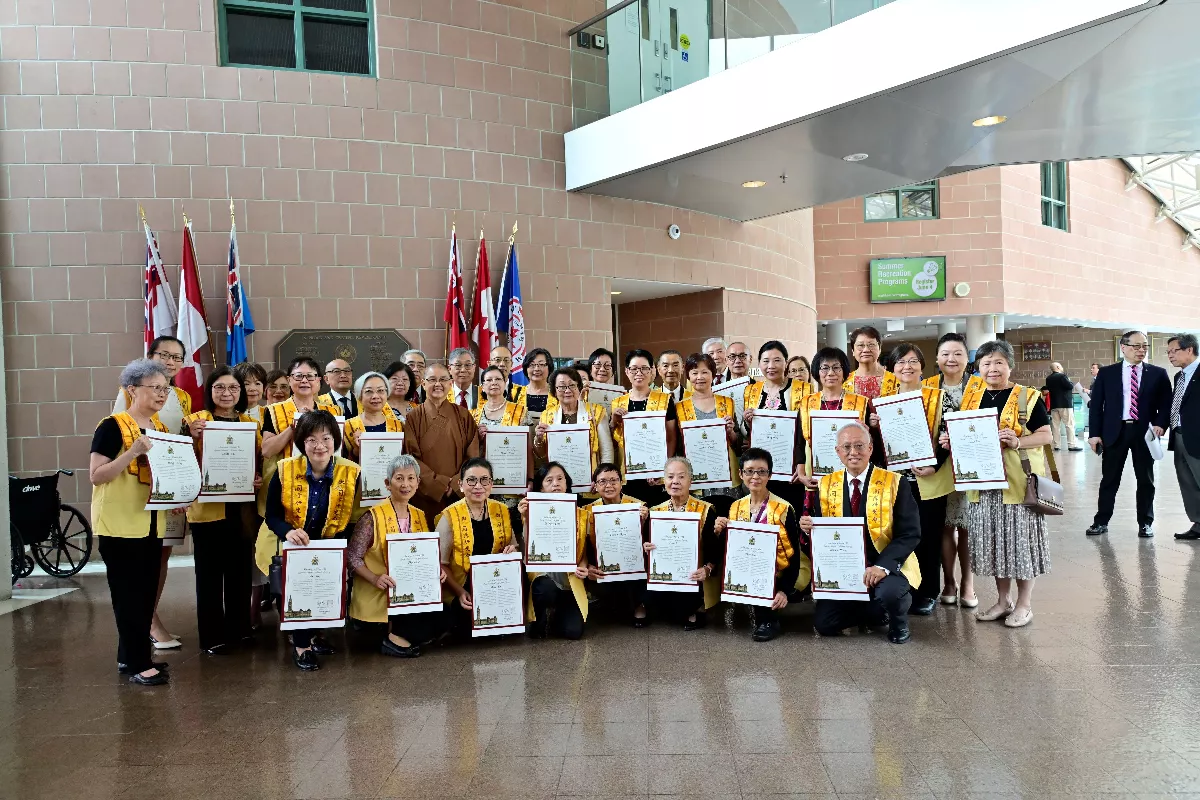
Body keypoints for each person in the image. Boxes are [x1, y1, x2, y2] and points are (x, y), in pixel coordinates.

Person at [944, 339, 1053, 628]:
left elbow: (1046, 435)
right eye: (986, 363)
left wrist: (1018, 441)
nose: (992, 369)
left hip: (1017, 486)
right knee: (995, 544)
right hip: (982, 486)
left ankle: (1024, 605)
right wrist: (949, 440)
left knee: (1020, 545)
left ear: (1010, 366)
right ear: (977, 368)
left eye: (999, 362)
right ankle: (1003, 601)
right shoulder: (972, 398)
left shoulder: (1026, 396)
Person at [90, 359, 173, 685]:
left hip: (152, 524)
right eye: (155, 388)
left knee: (145, 593)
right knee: (128, 596)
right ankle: (139, 663)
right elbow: (97, 476)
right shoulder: (111, 426)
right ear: (131, 389)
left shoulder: (161, 429)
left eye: (165, 389)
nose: (162, 394)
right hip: (120, 524)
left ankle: (131, 657)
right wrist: (133, 452)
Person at [801, 422, 922, 644]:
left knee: (889, 594)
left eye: (859, 445)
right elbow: (826, 536)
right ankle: (873, 611)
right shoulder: (826, 485)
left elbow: (910, 533)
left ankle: (898, 622)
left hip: (886, 564)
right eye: (846, 446)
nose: (853, 452)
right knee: (824, 624)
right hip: (846, 567)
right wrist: (809, 528)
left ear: (870, 448)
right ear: (838, 452)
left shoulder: (895, 482)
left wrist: (882, 566)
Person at [263, 410, 360, 670]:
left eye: (326, 438)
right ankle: (301, 645)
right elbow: (271, 516)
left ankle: (314, 635)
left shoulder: (350, 473)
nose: (319, 446)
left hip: (330, 543)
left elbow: (353, 517)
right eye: (311, 439)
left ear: (335, 441)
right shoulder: (284, 471)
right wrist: (287, 531)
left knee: (322, 593)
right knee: (300, 591)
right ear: (302, 442)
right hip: (296, 545)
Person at [112, 334, 191, 650]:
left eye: (177, 357)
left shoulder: (182, 396)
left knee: (163, 555)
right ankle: (148, 623)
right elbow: (123, 431)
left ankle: (149, 617)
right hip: (143, 483)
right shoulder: (130, 390)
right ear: (150, 355)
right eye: (164, 355)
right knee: (144, 557)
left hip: (171, 485)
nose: (171, 362)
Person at [182, 366, 262, 655]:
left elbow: (257, 461)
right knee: (209, 576)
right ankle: (213, 636)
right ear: (210, 391)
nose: (227, 393)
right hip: (207, 510)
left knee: (240, 572)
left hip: (241, 509)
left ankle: (240, 630)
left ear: (241, 393)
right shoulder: (194, 421)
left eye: (233, 388)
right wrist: (189, 436)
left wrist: (256, 478)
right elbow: (181, 460)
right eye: (220, 387)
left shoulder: (248, 423)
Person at [873, 343, 946, 616]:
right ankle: (905, 588)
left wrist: (935, 464)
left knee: (929, 536)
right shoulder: (884, 400)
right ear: (892, 368)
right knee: (902, 537)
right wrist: (873, 426)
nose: (907, 367)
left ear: (922, 366)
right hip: (896, 481)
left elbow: (949, 438)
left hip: (928, 480)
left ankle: (928, 592)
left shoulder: (937, 398)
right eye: (901, 362)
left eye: (913, 361)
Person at [1087, 330, 1172, 538]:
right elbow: (1097, 406)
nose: (1141, 350)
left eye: (1144, 346)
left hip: (1144, 434)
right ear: (1123, 347)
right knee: (1109, 479)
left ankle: (1146, 523)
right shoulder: (1107, 373)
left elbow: (1166, 403)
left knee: (1145, 480)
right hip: (1115, 432)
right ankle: (1101, 521)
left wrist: (1161, 424)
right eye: (1136, 346)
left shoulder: (1158, 373)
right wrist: (1094, 434)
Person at [347, 454, 433, 657]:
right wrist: (375, 578)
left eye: (411, 478)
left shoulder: (420, 515)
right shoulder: (372, 516)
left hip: (410, 593)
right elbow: (352, 557)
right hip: (379, 592)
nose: (405, 484)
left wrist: (435, 572)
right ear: (387, 483)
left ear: (418, 483)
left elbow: (425, 556)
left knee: (446, 617)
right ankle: (393, 638)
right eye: (399, 478)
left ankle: (399, 636)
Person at [715, 448, 805, 642]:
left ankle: (769, 620)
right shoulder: (735, 506)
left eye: (762, 471)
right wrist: (720, 531)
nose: (755, 476)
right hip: (747, 570)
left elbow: (794, 556)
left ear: (770, 475)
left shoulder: (783, 508)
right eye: (749, 471)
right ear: (740, 474)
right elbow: (732, 548)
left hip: (777, 573)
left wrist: (784, 590)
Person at [923, 332, 984, 609]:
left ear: (967, 358)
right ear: (937, 358)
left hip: (971, 465)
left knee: (966, 526)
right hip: (937, 465)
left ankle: (968, 583)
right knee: (944, 527)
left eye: (958, 353)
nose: (951, 359)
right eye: (946, 353)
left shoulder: (979, 387)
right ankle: (948, 581)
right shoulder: (927, 387)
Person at [437, 458, 522, 636]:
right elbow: (440, 564)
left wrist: (512, 551)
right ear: (460, 485)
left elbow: (514, 547)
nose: (478, 486)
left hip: (495, 585)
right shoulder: (449, 516)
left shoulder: (501, 510)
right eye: (471, 480)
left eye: (484, 480)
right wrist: (460, 592)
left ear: (491, 484)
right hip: (462, 586)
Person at [518, 463, 590, 639]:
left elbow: (584, 550)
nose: (555, 483)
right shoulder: (530, 511)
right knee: (545, 588)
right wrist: (527, 519)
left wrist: (583, 565)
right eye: (549, 480)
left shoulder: (581, 514)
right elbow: (527, 549)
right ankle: (540, 618)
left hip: (570, 580)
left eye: (560, 479)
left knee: (572, 633)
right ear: (541, 488)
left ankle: (558, 614)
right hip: (545, 577)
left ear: (567, 484)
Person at [647, 457, 720, 630]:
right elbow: (647, 546)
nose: (675, 482)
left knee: (683, 610)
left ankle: (696, 607)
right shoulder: (656, 511)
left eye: (681, 477)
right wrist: (646, 547)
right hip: (666, 575)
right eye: (670, 477)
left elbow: (714, 549)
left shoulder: (705, 509)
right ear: (664, 481)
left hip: (694, 577)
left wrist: (707, 569)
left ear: (690, 480)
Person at [404, 362, 480, 519]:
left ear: (451, 383)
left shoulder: (463, 415)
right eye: (432, 380)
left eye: (443, 380)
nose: (438, 384)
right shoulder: (413, 417)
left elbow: (472, 454)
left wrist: (457, 482)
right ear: (424, 384)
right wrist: (438, 484)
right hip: (425, 494)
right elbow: (411, 457)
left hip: (459, 492)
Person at [742, 341, 811, 511]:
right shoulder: (751, 390)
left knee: (789, 514)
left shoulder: (803, 390)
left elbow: (807, 432)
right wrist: (746, 421)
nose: (771, 366)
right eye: (766, 361)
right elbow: (745, 433)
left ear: (786, 362)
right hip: (760, 471)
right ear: (759, 364)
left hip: (791, 469)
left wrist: (801, 464)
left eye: (777, 360)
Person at [580, 462, 651, 626]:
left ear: (621, 483)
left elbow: (651, 539)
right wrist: (589, 565)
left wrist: (646, 521)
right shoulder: (586, 511)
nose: (609, 485)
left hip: (633, 565)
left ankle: (639, 604)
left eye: (613, 480)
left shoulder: (638, 507)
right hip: (602, 566)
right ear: (595, 486)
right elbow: (583, 545)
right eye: (602, 481)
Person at [611, 349, 678, 505]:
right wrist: (614, 421)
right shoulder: (618, 403)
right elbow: (614, 442)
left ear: (652, 370)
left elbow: (671, 438)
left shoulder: (664, 400)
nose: (639, 373)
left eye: (644, 368)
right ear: (627, 371)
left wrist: (663, 469)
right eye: (634, 369)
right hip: (629, 473)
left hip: (656, 475)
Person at [677, 353, 741, 517]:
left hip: (727, 477)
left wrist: (731, 431)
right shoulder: (679, 408)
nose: (700, 377)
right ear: (688, 376)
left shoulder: (727, 403)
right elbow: (678, 446)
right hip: (696, 479)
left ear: (713, 374)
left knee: (728, 523)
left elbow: (737, 443)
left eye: (705, 372)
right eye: (694, 372)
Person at [799, 347, 869, 492]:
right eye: (825, 368)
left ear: (844, 372)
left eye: (836, 367)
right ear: (817, 372)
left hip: (852, 474)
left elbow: (873, 444)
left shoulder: (861, 403)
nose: (831, 373)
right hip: (815, 476)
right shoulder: (806, 403)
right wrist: (801, 473)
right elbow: (799, 441)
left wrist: (868, 433)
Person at [535, 367, 614, 484]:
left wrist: (602, 479)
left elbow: (606, 451)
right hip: (558, 486)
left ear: (579, 387)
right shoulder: (547, 415)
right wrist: (539, 438)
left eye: (572, 385)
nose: (567, 390)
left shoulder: (596, 411)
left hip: (591, 482)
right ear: (554, 391)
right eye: (561, 387)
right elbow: (542, 455)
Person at [260, 358, 340, 463]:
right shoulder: (274, 410)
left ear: (318, 381)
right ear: (289, 380)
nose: (304, 380)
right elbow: (267, 451)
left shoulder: (333, 411)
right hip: (286, 476)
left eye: (310, 376)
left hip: (325, 476)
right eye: (298, 376)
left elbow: (338, 449)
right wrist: (294, 426)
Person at [1167, 334, 1200, 540]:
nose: (1170, 355)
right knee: (1188, 483)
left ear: (1189, 350)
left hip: (1197, 437)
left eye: (1174, 351)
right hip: (1179, 436)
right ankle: (1198, 523)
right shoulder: (1179, 376)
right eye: (1168, 352)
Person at [343, 372, 404, 461]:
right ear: (359, 396)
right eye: (369, 391)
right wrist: (356, 450)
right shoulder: (348, 427)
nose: (375, 396)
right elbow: (341, 463)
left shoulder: (398, 425)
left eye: (380, 391)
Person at [844, 326, 899, 399]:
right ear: (853, 351)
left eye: (871, 345)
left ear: (879, 349)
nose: (866, 350)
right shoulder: (844, 382)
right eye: (860, 345)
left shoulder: (895, 381)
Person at [1042, 363, 1083, 452]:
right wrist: (1070, 381)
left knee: (1055, 426)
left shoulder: (1048, 378)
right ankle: (1071, 445)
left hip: (1054, 405)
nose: (1062, 367)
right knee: (1069, 425)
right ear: (1057, 367)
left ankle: (1056, 445)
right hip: (1065, 404)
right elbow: (1070, 386)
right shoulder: (1062, 376)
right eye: (1061, 366)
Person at [521, 347, 554, 421]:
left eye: (541, 364)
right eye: (532, 364)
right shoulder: (516, 394)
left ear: (549, 367)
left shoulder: (557, 393)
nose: (536, 369)